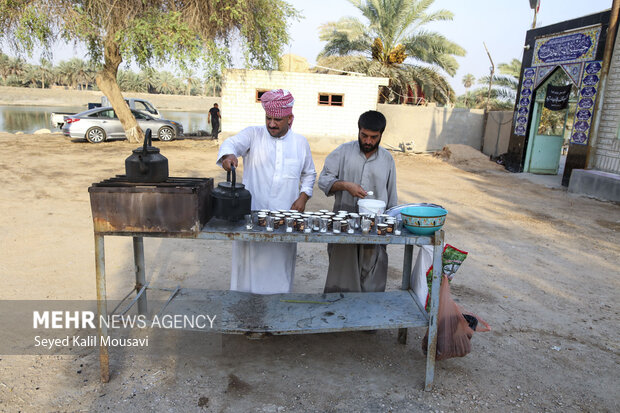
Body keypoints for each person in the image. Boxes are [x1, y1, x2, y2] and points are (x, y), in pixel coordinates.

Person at [216, 89, 316, 294]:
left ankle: (275, 313)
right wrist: (228, 156)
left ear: (290, 118)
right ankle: (246, 313)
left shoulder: (300, 143)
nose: (271, 124)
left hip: (285, 219)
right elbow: (232, 143)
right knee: (248, 273)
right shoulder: (254, 135)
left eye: (277, 119)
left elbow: (309, 174)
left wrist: (303, 197)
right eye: (268, 118)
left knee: (279, 272)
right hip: (252, 217)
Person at [318, 110, 398, 293]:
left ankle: (367, 318)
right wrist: (345, 185)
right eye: (364, 135)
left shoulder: (387, 159)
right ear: (358, 130)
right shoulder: (343, 151)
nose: (368, 141)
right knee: (341, 281)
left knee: (372, 280)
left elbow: (392, 197)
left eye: (373, 137)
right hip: (344, 224)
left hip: (375, 229)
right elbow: (323, 180)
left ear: (381, 135)